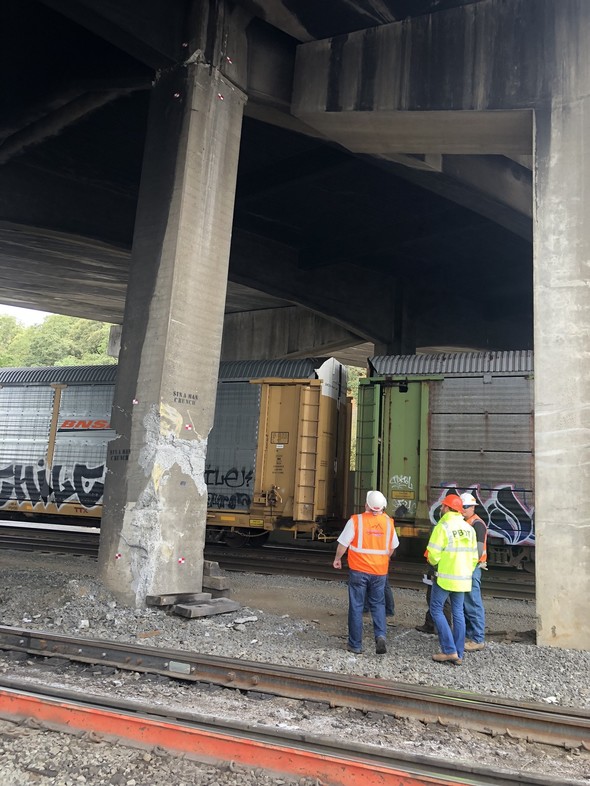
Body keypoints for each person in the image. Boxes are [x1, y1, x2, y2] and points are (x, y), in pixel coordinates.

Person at [333, 490, 398, 655]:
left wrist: (337, 558)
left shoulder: (356, 520)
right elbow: (392, 547)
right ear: (383, 506)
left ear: (366, 505)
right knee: (378, 604)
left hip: (359, 571)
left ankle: (355, 645)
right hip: (380, 572)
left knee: (356, 606)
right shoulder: (388, 522)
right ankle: (380, 636)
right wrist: (382, 560)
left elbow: (343, 544)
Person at [426, 493, 478, 665]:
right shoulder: (469, 529)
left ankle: (449, 651)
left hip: (445, 577)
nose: (441, 508)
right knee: (458, 612)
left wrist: (438, 564)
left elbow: (433, 555)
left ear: (448, 508)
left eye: (443, 506)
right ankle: (459, 653)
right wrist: (465, 571)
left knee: (436, 609)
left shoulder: (443, 527)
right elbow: (474, 557)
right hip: (463, 577)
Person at [460, 491, 488, 651]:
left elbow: (477, 551)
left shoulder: (476, 524)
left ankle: (478, 639)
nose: (463, 509)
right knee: (467, 603)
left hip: (471, 568)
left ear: (472, 507)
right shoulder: (469, 522)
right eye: (462, 506)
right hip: (467, 567)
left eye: (466, 507)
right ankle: (472, 635)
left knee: (473, 603)